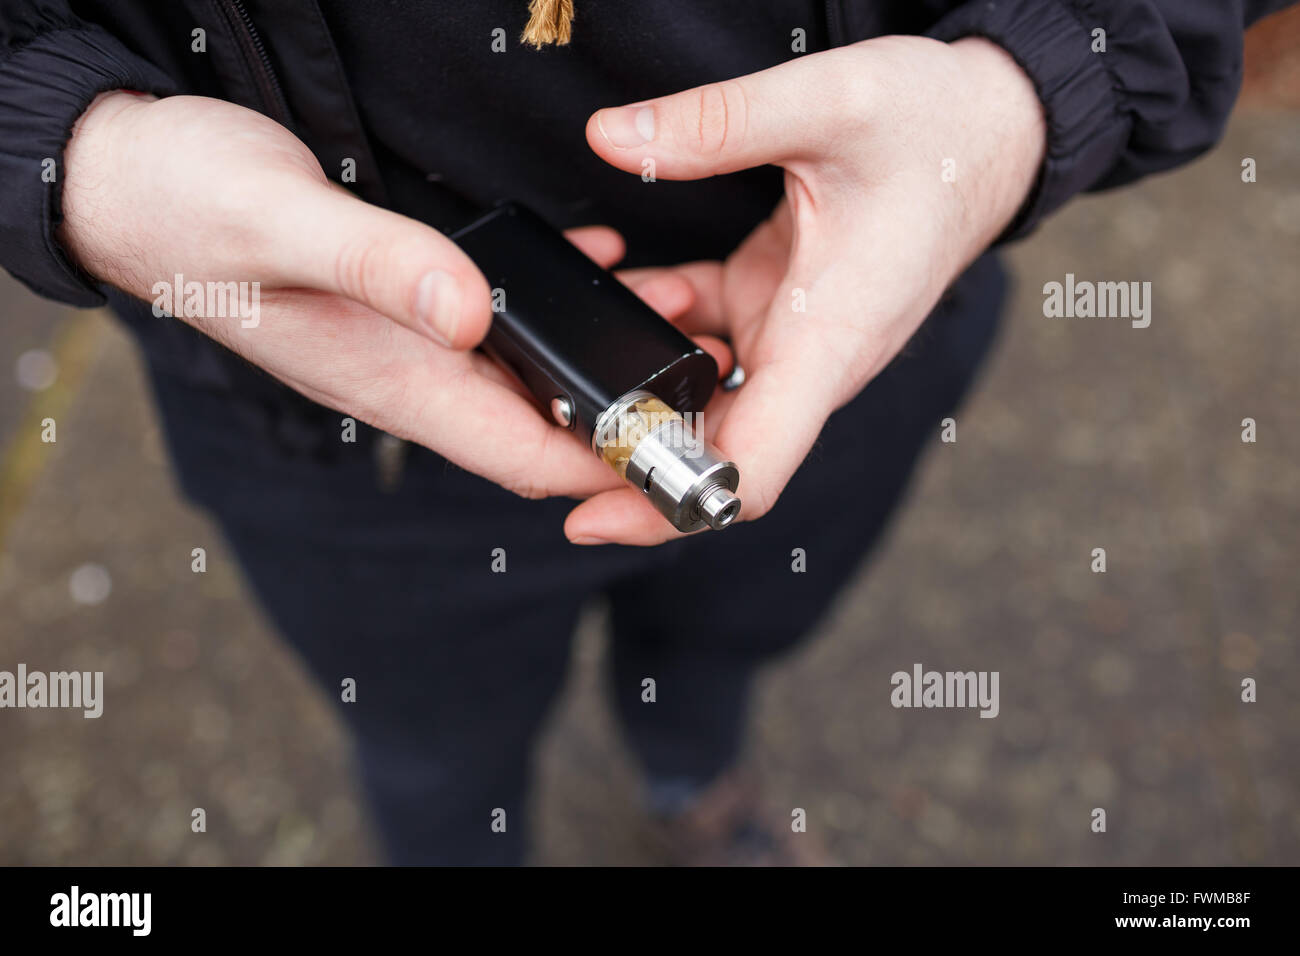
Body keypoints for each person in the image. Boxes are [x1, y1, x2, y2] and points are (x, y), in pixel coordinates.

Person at [0, 0, 1286, 865]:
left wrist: (1025, 87)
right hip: (324, 421)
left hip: (857, 312)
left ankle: (691, 774)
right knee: (431, 743)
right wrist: (71, 151)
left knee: (738, 627)